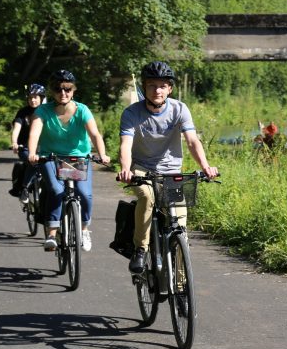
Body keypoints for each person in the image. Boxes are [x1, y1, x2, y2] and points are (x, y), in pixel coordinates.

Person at [117, 61, 218, 273]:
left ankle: (181, 289)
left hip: (172, 172)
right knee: (146, 197)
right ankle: (140, 249)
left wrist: (206, 166)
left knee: (179, 229)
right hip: (142, 169)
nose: (157, 90)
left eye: (162, 86)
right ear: (144, 88)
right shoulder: (132, 113)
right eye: (152, 85)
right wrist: (126, 169)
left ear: (169, 88)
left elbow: (192, 141)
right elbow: (125, 144)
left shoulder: (180, 109)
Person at [27, 70, 110, 252]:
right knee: (56, 190)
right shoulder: (43, 111)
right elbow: (34, 132)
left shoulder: (82, 110)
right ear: (52, 91)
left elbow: (94, 134)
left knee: (84, 193)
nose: (63, 93)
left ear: (73, 90)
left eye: (67, 89)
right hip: (51, 157)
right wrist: (32, 152)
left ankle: (84, 229)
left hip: (77, 158)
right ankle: (51, 234)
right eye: (58, 89)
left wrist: (102, 154)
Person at [10, 83, 45, 202]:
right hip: (25, 148)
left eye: (35, 97)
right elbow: (16, 128)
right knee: (33, 162)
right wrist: (14, 142)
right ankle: (24, 189)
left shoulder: (47, 111)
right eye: (30, 97)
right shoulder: (23, 112)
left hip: (45, 149)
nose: (33, 100)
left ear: (41, 97)